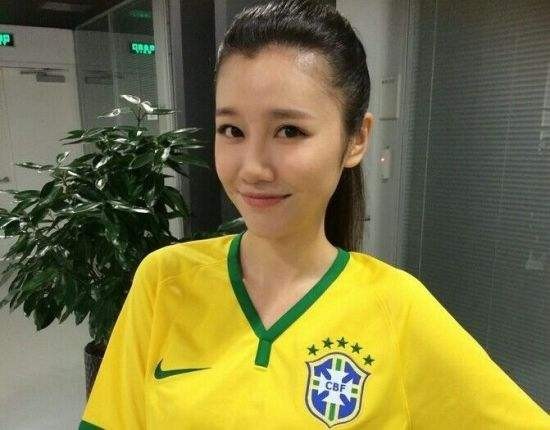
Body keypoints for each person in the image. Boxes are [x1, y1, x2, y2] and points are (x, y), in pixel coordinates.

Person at [79, 1, 550, 428]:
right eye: (232, 130)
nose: (253, 168)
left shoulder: (397, 309)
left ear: (356, 139)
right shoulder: (165, 282)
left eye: (289, 130)